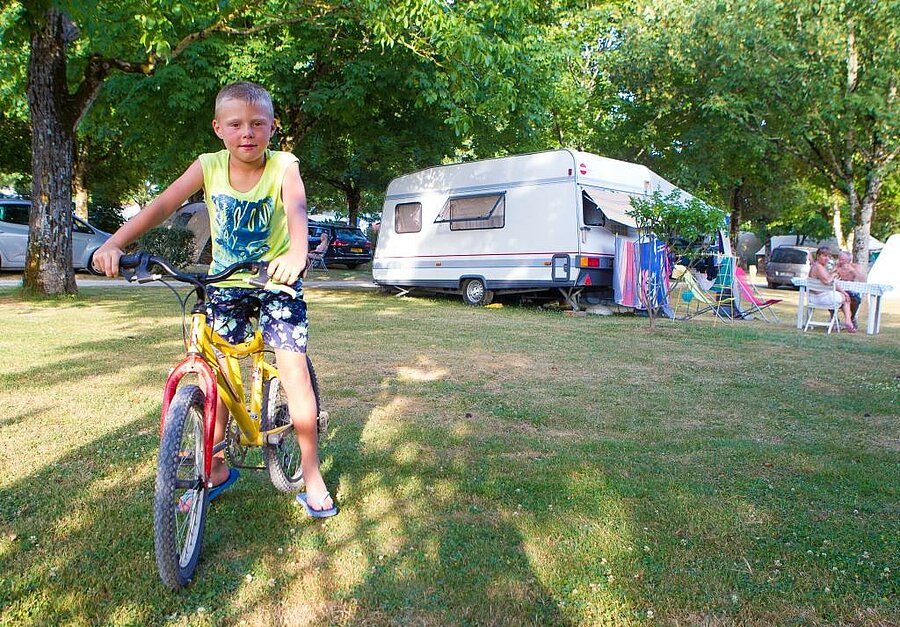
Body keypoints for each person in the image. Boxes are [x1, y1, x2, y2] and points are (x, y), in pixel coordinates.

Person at [93, 81, 336, 517]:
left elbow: (296, 209)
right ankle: (218, 464)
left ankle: (312, 472)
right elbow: (163, 204)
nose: (248, 132)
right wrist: (114, 242)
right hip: (224, 283)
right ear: (218, 128)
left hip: (276, 280)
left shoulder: (284, 165)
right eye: (236, 124)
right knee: (218, 368)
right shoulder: (208, 166)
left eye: (258, 123)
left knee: (293, 369)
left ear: (272, 128)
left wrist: (297, 254)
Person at [808, 245, 856, 333]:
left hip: (812, 298)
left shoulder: (816, 266)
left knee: (844, 296)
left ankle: (836, 322)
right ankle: (848, 321)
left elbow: (831, 283)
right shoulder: (818, 267)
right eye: (824, 256)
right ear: (818, 256)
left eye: (828, 257)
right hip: (821, 298)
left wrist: (843, 292)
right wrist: (834, 275)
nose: (827, 259)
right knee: (846, 299)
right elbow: (827, 281)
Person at [835, 250, 866, 326]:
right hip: (839, 291)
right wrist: (836, 269)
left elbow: (863, 279)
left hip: (852, 291)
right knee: (831, 297)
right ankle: (834, 319)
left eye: (842, 260)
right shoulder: (837, 266)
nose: (840, 261)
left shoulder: (855, 266)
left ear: (849, 260)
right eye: (839, 259)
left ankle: (852, 318)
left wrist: (852, 270)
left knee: (856, 300)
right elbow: (830, 277)